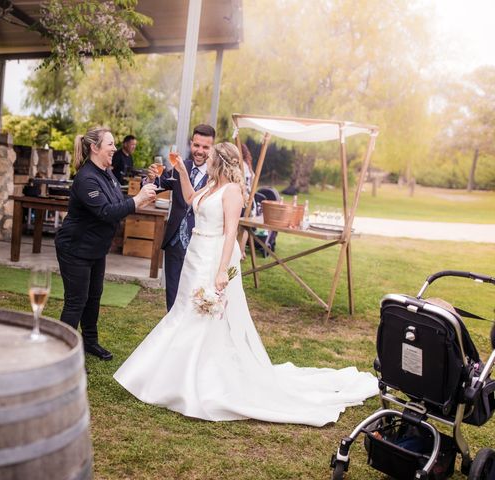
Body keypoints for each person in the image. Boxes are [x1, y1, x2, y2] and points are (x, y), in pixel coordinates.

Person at [114, 142, 377, 425]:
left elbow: (230, 233)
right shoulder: (210, 186)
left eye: (211, 157)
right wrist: (181, 172)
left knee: (202, 316)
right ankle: (171, 376)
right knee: (183, 311)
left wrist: (222, 270)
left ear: (221, 162)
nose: (206, 160)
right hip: (195, 254)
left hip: (213, 256)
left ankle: (197, 382)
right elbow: (191, 201)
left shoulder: (232, 192)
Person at [55, 127, 157, 361]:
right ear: (95, 148)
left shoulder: (106, 173)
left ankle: (90, 342)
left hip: (96, 249)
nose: (114, 148)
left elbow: (118, 203)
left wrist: (144, 189)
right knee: (76, 302)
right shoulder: (86, 178)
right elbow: (106, 212)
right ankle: (62, 353)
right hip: (75, 249)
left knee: (94, 296)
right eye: (110, 144)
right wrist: (138, 199)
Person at [145, 124, 215, 311]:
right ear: (191, 143)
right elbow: (160, 184)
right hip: (174, 240)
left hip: (199, 243)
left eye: (205, 147)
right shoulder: (179, 166)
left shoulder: (216, 174)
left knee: (195, 292)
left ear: (212, 148)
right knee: (173, 292)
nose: (199, 151)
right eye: (197, 145)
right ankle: (171, 327)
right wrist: (151, 178)